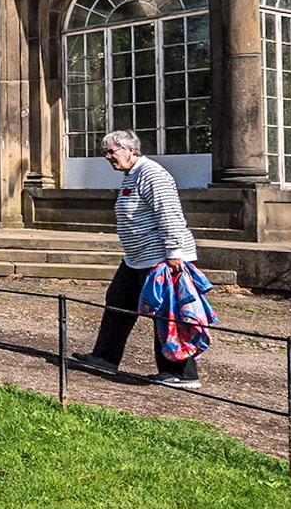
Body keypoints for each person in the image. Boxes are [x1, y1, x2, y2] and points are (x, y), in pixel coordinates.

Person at [70, 129, 204, 387]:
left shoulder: (151, 173)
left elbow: (169, 212)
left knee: (166, 312)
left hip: (160, 258)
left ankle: (181, 372)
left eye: (112, 151)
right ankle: (105, 358)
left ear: (131, 150)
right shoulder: (131, 175)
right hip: (137, 258)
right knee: (119, 300)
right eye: (104, 153)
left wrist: (174, 252)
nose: (108, 157)